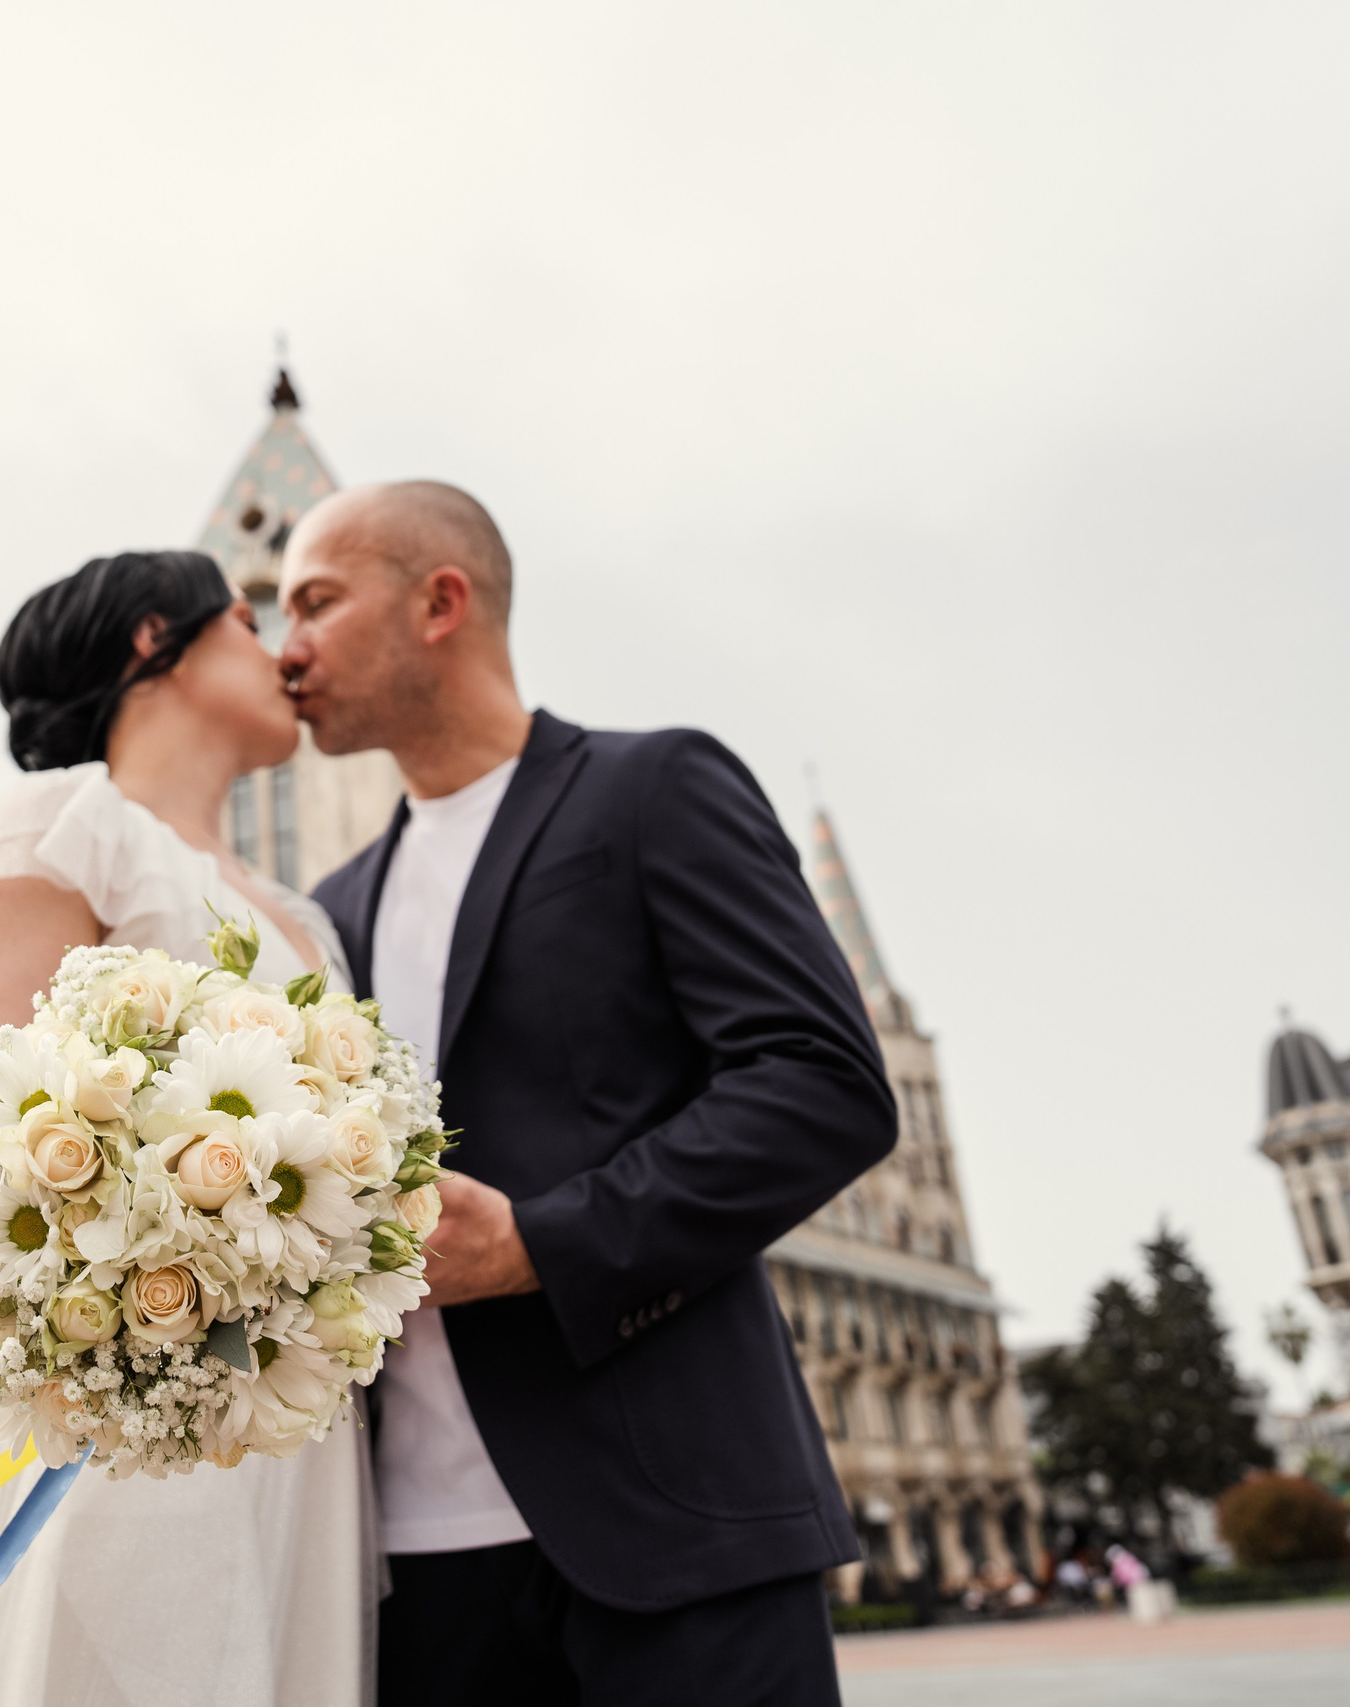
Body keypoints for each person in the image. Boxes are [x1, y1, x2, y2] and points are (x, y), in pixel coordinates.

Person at [283, 482, 898, 1707]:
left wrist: (538, 1246)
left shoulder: (651, 790)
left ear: (440, 601)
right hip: (408, 1575)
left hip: (675, 1539)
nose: (281, 648)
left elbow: (822, 1082)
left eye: (314, 602)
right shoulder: (326, 915)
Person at [0, 551, 372, 1707]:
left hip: (284, 1418)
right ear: (151, 641)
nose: (279, 645)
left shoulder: (311, 922)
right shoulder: (60, 825)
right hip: (107, 1403)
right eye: (245, 617)